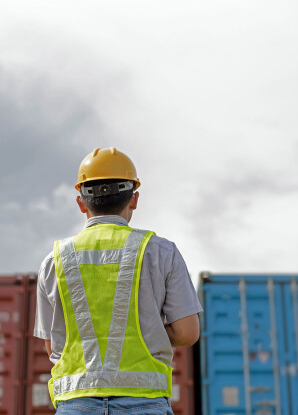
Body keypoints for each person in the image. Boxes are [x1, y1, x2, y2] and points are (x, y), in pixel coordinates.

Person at [34, 147, 202, 414]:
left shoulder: (53, 261)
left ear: (81, 202)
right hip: (145, 402)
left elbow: (53, 345)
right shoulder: (161, 251)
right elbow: (187, 332)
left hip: (76, 404)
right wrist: (150, 333)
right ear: (133, 199)